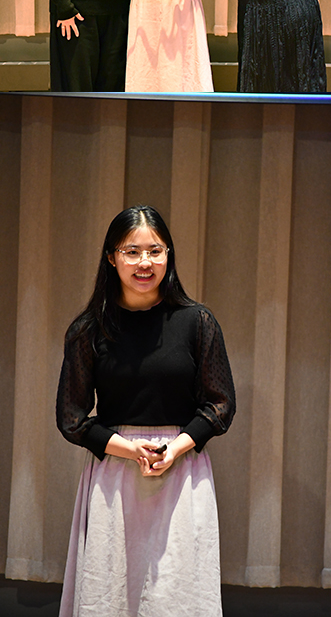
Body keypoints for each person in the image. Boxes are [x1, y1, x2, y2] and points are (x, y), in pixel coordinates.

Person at [56, 205, 235, 617]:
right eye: (132, 251)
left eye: (155, 251)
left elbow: (221, 404)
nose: (145, 262)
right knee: (110, 595)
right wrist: (129, 450)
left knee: (178, 597)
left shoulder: (197, 321)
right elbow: (72, 416)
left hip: (182, 471)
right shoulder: (89, 329)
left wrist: (175, 449)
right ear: (111, 257)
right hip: (115, 475)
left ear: (169, 255)